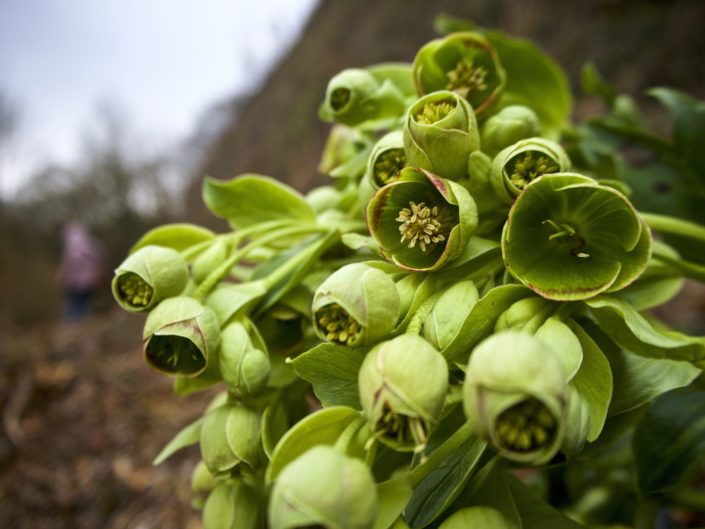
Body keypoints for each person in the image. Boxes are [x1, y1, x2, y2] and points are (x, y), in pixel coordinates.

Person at [59, 222, 106, 322]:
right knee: (81, 303)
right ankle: (77, 322)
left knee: (75, 304)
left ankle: (73, 323)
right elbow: (98, 261)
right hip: (86, 282)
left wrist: (63, 278)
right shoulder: (93, 245)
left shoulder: (70, 249)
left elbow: (68, 266)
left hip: (74, 283)